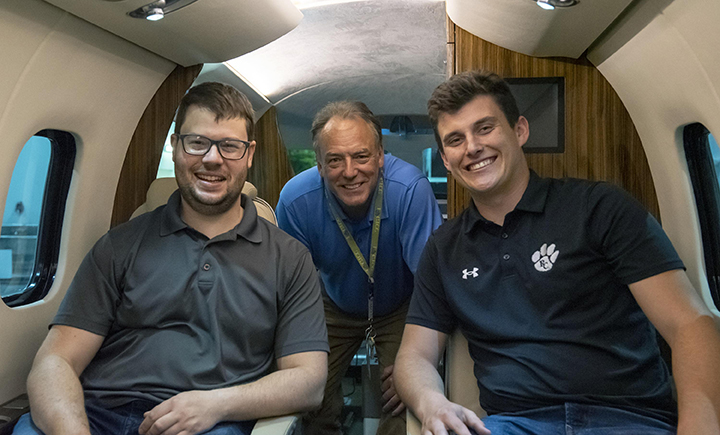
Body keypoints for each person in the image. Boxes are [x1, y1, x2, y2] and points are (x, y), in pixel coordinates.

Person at [394, 70, 720, 435]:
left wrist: (700, 424)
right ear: (447, 159)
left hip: (628, 421)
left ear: (519, 131)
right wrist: (431, 403)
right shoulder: (443, 249)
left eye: (485, 128)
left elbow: (689, 324)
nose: (472, 147)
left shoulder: (600, 208)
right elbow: (414, 356)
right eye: (456, 139)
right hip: (512, 425)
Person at [14, 82, 329, 435]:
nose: (212, 158)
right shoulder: (119, 245)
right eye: (197, 142)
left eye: (229, 146)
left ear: (249, 154)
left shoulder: (289, 258)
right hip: (97, 414)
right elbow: (55, 360)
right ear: (175, 145)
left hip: (209, 422)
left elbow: (308, 381)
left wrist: (215, 404)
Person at [276, 101, 443, 435]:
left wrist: (416, 365)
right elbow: (289, 295)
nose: (349, 171)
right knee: (309, 394)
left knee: (403, 398)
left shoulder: (410, 190)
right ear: (320, 166)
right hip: (329, 303)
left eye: (361, 156)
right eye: (335, 160)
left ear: (380, 156)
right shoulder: (296, 201)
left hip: (403, 306)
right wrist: (300, 368)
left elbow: (433, 288)